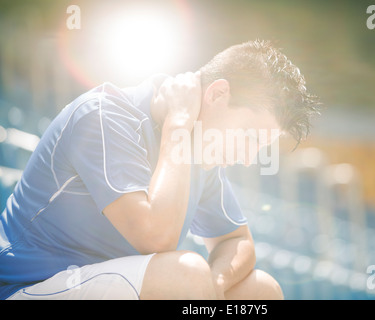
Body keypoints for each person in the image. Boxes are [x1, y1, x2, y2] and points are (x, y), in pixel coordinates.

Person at [0, 39, 319, 300]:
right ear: (217, 94)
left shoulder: (198, 150)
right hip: (28, 287)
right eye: (249, 137)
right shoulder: (105, 116)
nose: (249, 158)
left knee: (258, 291)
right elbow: (156, 239)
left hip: (104, 286)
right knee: (186, 275)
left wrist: (216, 286)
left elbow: (237, 241)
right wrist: (178, 123)